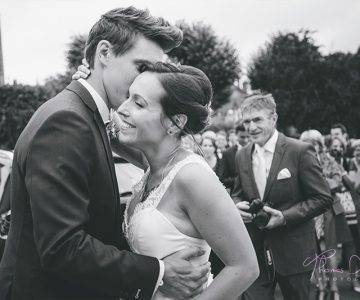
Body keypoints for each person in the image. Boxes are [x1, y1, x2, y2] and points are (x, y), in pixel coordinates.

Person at [0, 7, 211, 300]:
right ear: (104, 53)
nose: (146, 82)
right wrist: (159, 272)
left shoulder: (84, 114)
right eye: (141, 67)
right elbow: (63, 248)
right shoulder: (67, 121)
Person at [110, 62, 259, 299]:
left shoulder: (191, 177)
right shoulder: (154, 164)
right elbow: (108, 130)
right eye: (128, 97)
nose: (122, 108)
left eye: (138, 103)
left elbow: (245, 268)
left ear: (175, 122)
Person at [232, 93, 333, 300]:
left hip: (295, 253)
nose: (251, 127)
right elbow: (237, 193)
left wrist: (285, 217)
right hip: (255, 254)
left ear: (274, 119)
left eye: (257, 120)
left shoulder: (300, 151)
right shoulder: (241, 155)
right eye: (246, 122)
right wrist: (236, 207)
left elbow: (323, 197)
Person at [300, 129, 351, 300]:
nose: (310, 146)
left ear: (320, 145)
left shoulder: (329, 161)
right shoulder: (299, 161)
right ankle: (321, 286)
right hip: (309, 211)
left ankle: (334, 286)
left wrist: (316, 183)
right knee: (313, 251)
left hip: (328, 210)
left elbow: (337, 182)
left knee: (329, 249)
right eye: (307, 142)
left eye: (314, 143)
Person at [218, 123, 249, 193]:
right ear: (236, 136)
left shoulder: (256, 149)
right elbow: (222, 179)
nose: (246, 140)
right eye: (242, 137)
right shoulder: (227, 153)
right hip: (236, 193)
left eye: (248, 137)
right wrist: (241, 180)